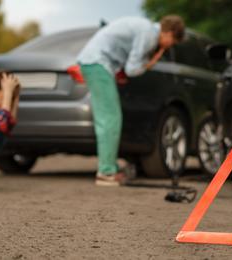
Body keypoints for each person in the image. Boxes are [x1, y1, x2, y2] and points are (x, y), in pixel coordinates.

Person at [77, 15, 185, 186]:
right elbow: (132, 69)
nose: (170, 45)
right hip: (98, 63)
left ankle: (108, 168)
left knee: (106, 118)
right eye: (172, 41)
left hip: (94, 62)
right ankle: (106, 173)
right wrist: (149, 64)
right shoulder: (149, 34)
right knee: (110, 118)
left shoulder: (145, 27)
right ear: (170, 33)